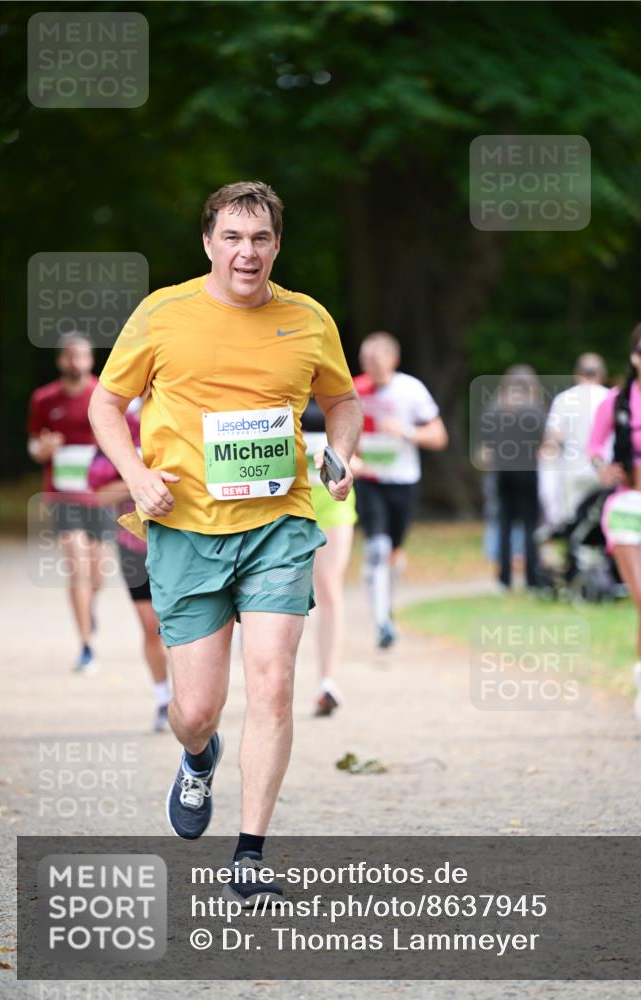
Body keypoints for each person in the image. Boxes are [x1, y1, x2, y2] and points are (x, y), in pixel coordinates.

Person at [89, 180, 362, 904]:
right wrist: (135, 473)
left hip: (279, 523)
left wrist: (339, 452)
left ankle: (249, 854)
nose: (248, 252)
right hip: (183, 527)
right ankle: (197, 755)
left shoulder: (306, 318)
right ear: (209, 242)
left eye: (261, 238)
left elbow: (342, 399)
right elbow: (106, 403)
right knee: (196, 710)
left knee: (272, 683)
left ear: (278, 244)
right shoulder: (163, 313)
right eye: (233, 238)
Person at [588, 321, 641, 733]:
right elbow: (595, 447)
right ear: (635, 357)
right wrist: (603, 469)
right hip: (631, 506)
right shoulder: (618, 401)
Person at [27, 332, 114, 673]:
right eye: (70, 357)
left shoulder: (103, 395)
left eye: (83, 357)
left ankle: (88, 608)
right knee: (76, 564)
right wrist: (44, 449)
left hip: (100, 495)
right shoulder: (44, 399)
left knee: (96, 574)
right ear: (61, 360)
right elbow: (34, 447)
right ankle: (86, 645)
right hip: (63, 495)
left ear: (90, 360)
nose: (76, 362)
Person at [354, 332, 447, 648]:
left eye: (377, 365)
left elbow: (438, 436)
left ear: (393, 360)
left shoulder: (411, 390)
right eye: (367, 364)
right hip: (369, 481)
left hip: (404, 481)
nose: (372, 371)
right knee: (376, 548)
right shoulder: (355, 389)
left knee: (394, 553)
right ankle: (381, 622)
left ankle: (388, 609)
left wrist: (405, 431)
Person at [87, 402, 171, 732]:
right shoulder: (117, 425)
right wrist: (139, 481)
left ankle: (191, 696)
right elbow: (99, 496)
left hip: (185, 544)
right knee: (151, 627)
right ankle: (164, 697)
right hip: (134, 546)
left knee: (185, 627)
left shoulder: (184, 412)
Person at [301, 399, 358, 716]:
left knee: (328, 588)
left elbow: (356, 452)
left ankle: (328, 681)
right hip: (290, 501)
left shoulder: (341, 392)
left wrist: (346, 463)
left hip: (333, 503)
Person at [482, 365, 546, 591]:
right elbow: (543, 444)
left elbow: (486, 447)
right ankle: (533, 579)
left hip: (502, 473)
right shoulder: (535, 411)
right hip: (528, 473)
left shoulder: (495, 409)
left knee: (504, 526)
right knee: (530, 526)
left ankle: (504, 579)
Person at [539, 353, 611, 527]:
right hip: (605, 468)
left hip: (573, 470)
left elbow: (553, 439)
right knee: (604, 520)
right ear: (602, 374)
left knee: (575, 521)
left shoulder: (563, 400)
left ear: (577, 373)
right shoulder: (611, 398)